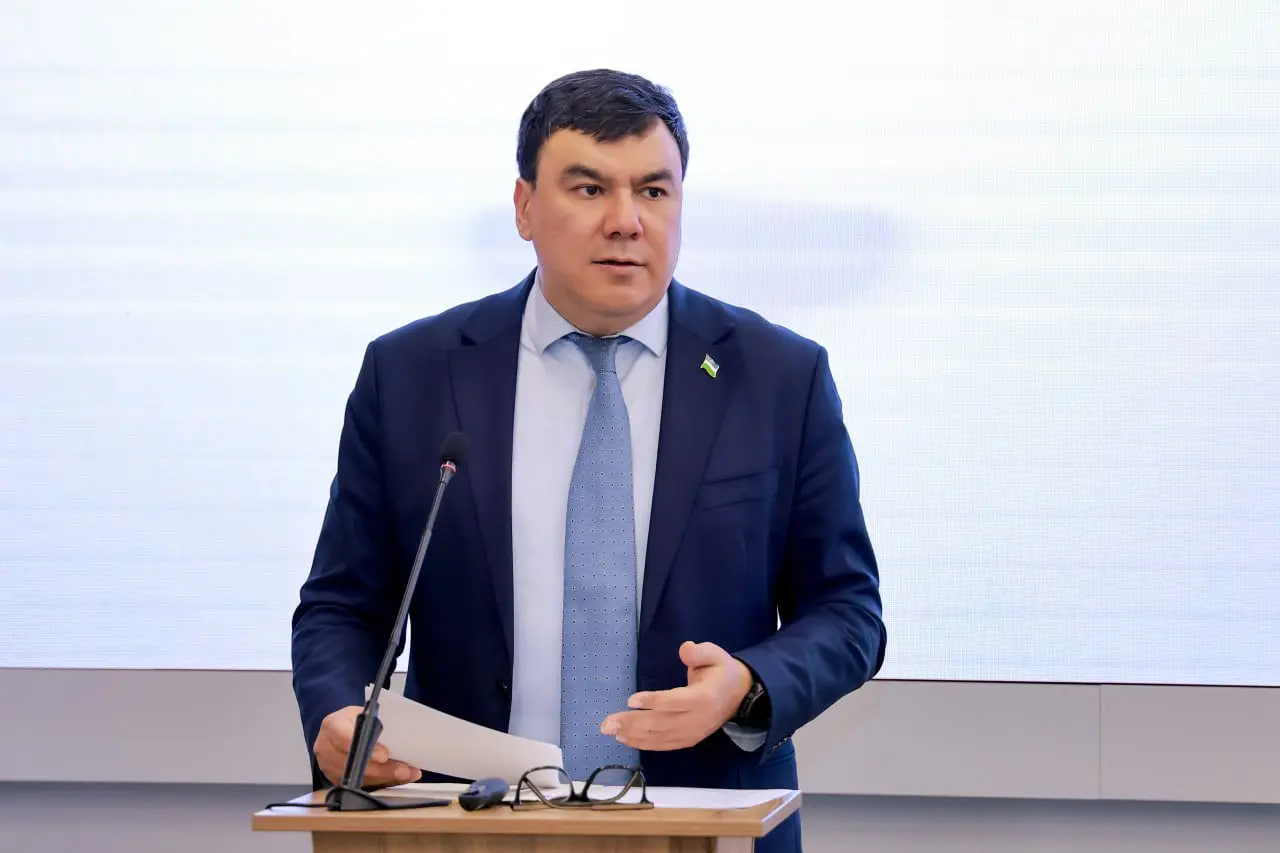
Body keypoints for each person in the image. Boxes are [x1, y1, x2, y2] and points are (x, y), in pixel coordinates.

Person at [291, 68, 885, 853]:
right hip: (466, 828)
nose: (625, 221)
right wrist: (338, 710)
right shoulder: (413, 374)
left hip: (704, 823)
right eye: (589, 188)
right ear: (524, 207)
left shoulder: (779, 377)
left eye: (653, 190)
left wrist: (748, 684)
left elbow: (848, 611)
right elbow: (344, 605)